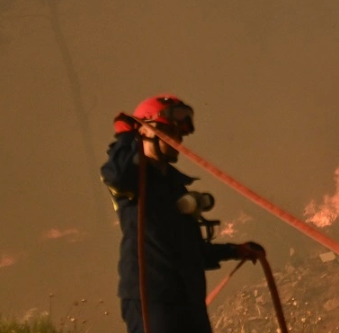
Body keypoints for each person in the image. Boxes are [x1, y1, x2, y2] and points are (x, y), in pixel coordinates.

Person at [101, 94, 264, 333]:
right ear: (147, 130)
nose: (179, 141)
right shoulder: (134, 181)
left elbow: (188, 249)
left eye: (180, 135)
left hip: (188, 301)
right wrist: (126, 136)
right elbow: (114, 174)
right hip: (153, 300)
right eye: (172, 134)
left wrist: (234, 250)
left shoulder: (174, 185)